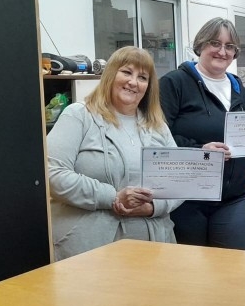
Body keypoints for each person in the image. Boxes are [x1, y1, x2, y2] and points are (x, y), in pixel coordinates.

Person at [47, 46, 182, 261]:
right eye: (127, 72)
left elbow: (178, 182)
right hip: (88, 254)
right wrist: (113, 197)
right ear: (110, 75)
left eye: (142, 77)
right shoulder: (79, 115)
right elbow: (53, 174)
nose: (133, 82)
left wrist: (153, 207)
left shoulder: (157, 126)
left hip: (154, 249)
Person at [158, 17, 245, 251]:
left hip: (232, 200)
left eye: (229, 46)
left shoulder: (240, 91)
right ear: (200, 45)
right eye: (215, 43)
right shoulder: (174, 83)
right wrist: (200, 152)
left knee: (236, 275)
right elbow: (158, 137)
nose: (222, 51)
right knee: (190, 278)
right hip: (186, 200)